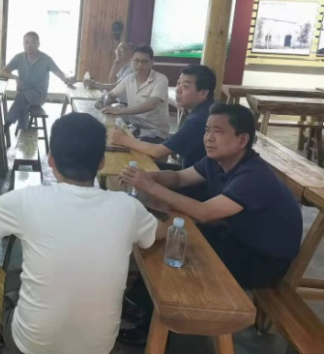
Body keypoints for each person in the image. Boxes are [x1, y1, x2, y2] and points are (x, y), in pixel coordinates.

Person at [0, 113, 168, 354]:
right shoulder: (128, 207)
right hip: (98, 348)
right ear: (102, 162)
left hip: (31, 346)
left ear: (51, 160)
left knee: (16, 263)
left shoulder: (29, 200)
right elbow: (160, 232)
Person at [117, 103, 303, 345]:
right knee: (168, 238)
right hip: (235, 238)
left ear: (242, 140)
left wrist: (150, 186)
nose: (209, 138)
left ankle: (154, 327)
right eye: (207, 130)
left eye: (218, 131)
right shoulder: (218, 160)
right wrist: (148, 177)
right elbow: (179, 177)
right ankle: (140, 306)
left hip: (262, 261)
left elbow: (205, 213)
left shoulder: (253, 176)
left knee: (176, 251)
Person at [110, 64, 216, 169]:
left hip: (196, 178)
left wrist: (124, 140)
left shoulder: (199, 120)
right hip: (190, 172)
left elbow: (158, 152)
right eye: (178, 83)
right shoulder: (205, 110)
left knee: (128, 167)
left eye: (185, 86)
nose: (178, 90)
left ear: (203, 93)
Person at [0, 31, 74, 131]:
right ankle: (24, 131)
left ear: (38, 44)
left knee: (21, 98)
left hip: (39, 95)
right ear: (23, 44)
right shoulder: (19, 57)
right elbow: (3, 72)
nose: (29, 45)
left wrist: (67, 79)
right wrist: (16, 77)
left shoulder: (46, 59)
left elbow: (59, 73)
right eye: (26, 42)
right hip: (22, 93)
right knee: (22, 101)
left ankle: (6, 126)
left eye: (33, 42)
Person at [96, 45, 169, 143]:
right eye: (136, 61)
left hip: (155, 133)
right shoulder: (129, 78)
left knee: (120, 144)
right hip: (135, 128)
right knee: (105, 136)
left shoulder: (160, 79)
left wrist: (120, 111)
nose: (140, 65)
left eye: (145, 61)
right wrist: (104, 100)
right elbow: (111, 94)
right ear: (131, 62)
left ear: (152, 63)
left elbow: (152, 104)